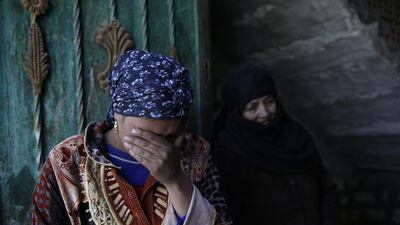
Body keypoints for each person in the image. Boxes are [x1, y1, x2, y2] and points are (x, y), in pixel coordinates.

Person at [32, 50, 232, 225]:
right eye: (150, 135)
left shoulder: (196, 152)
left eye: (173, 136)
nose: (162, 147)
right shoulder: (68, 160)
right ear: (119, 114)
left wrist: (175, 180)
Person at [213, 64, 338, 225]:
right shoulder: (229, 149)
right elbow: (230, 211)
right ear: (236, 110)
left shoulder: (296, 136)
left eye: (269, 101)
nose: (264, 112)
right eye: (252, 107)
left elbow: (327, 189)